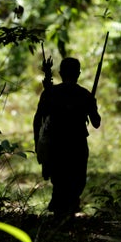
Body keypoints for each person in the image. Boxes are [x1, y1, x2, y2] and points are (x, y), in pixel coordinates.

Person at [33, 57, 101, 217]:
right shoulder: (84, 95)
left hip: (57, 145)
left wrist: (38, 143)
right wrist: (93, 105)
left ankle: (63, 215)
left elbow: (37, 120)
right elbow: (96, 123)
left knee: (60, 180)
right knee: (75, 181)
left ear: (61, 73)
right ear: (78, 74)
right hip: (76, 145)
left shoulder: (50, 93)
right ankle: (64, 214)